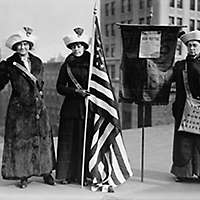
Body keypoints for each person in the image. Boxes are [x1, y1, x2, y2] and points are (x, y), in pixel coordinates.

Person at [0, 27, 56, 188]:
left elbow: (41, 82)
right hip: (19, 108)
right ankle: (23, 174)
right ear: (15, 47)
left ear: (29, 45)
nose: (23, 47)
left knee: (43, 139)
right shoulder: (9, 64)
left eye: (25, 44)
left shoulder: (37, 61)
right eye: (19, 45)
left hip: (38, 107)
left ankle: (46, 171)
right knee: (21, 142)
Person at [55, 27, 92, 185]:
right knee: (69, 141)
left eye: (79, 46)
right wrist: (75, 91)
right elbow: (59, 87)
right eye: (74, 46)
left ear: (84, 46)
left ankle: (84, 174)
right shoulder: (67, 65)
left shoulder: (92, 64)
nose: (77, 49)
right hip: (71, 107)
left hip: (88, 107)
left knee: (85, 140)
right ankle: (67, 174)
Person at [171, 30, 200, 182]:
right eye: (189, 46)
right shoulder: (180, 65)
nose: (192, 49)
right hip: (183, 109)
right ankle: (183, 173)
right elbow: (169, 80)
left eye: (195, 45)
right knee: (183, 142)